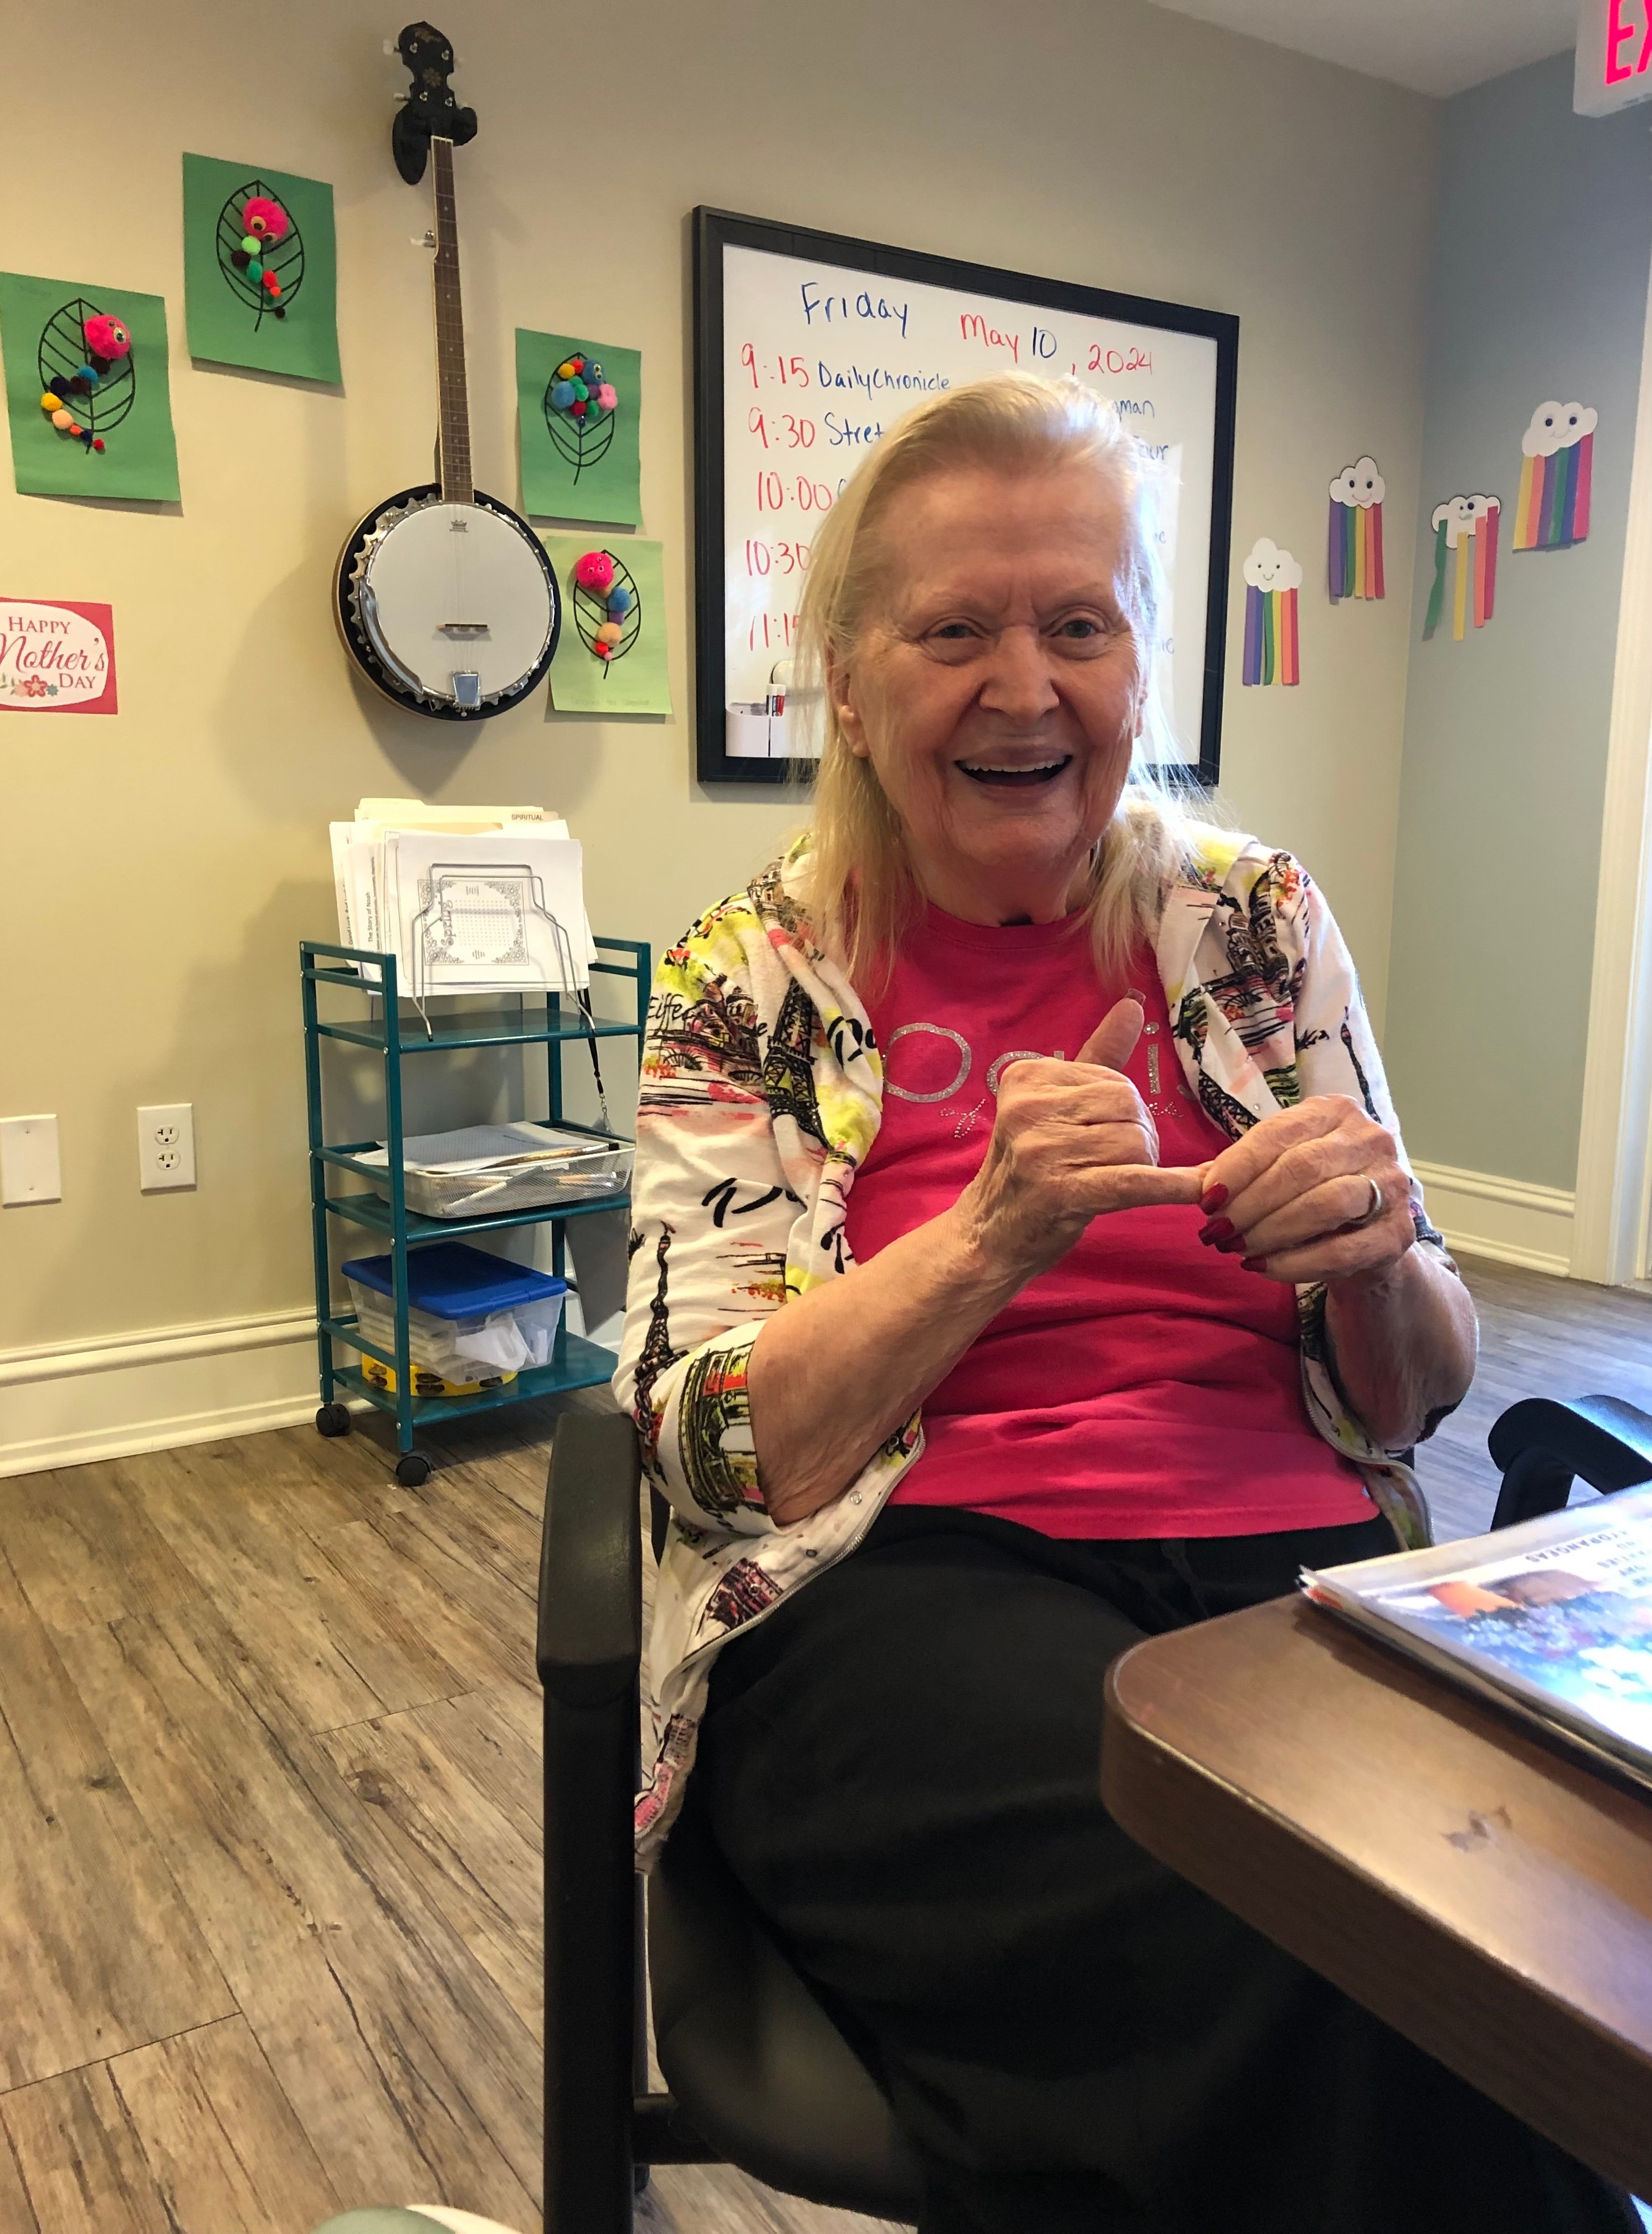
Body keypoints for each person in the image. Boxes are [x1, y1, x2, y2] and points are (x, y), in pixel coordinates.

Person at [614, 372, 1634, 2232]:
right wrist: (986, 1241)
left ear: (1144, 664)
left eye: (1080, 626)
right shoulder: (746, 974)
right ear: (848, 682)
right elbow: (704, 1452)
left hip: (1292, 1573)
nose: (1026, 688)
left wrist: (1380, 1253)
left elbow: (1413, 1398)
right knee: (1331, 1967)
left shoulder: (1255, 923)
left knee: (1515, 1942)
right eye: (955, 631)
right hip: (905, 1579)